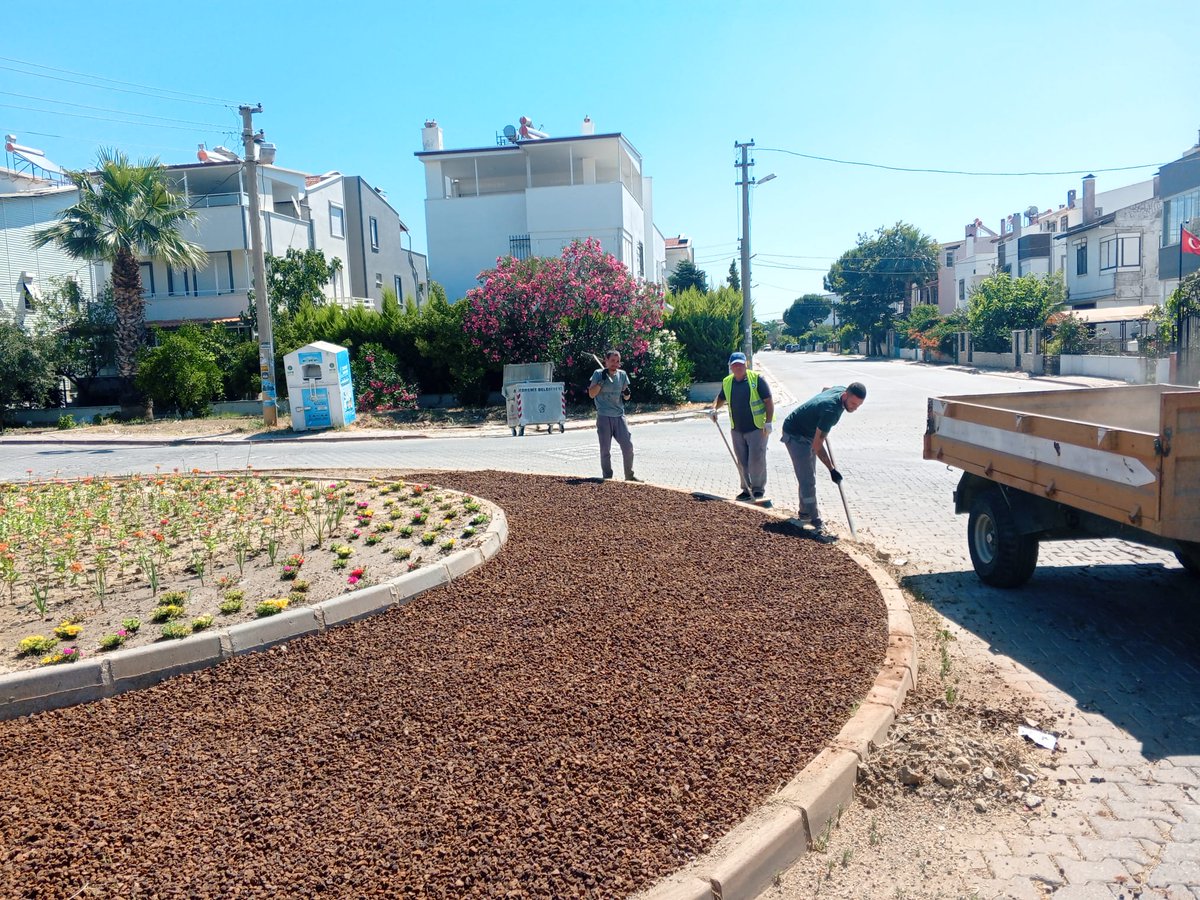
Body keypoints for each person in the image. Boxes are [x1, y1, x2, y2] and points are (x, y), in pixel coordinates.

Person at [780, 382, 866, 533]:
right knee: (807, 479)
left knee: (808, 476)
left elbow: (826, 389)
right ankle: (815, 521)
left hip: (810, 432)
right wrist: (831, 469)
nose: (855, 408)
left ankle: (805, 513)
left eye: (859, 405)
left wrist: (820, 421)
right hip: (795, 434)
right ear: (845, 395)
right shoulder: (831, 411)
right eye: (853, 403)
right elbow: (817, 446)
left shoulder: (841, 390)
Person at [708, 351, 774, 501]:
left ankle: (758, 490)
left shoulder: (756, 379)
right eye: (735, 365)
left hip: (757, 428)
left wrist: (768, 422)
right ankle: (746, 489)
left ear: (746, 364)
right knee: (742, 461)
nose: (738, 367)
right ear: (730, 367)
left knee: (756, 460)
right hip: (737, 429)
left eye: (740, 364)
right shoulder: (727, 382)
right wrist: (714, 408)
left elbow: (768, 401)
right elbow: (721, 397)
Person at [588, 350, 640, 482]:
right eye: (612, 361)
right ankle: (607, 476)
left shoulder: (622, 375)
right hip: (604, 416)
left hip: (619, 416)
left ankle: (629, 475)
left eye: (617, 361)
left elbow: (626, 397)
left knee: (628, 446)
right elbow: (592, 394)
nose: (615, 364)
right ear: (606, 361)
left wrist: (627, 393)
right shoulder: (598, 374)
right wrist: (601, 381)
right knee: (605, 449)